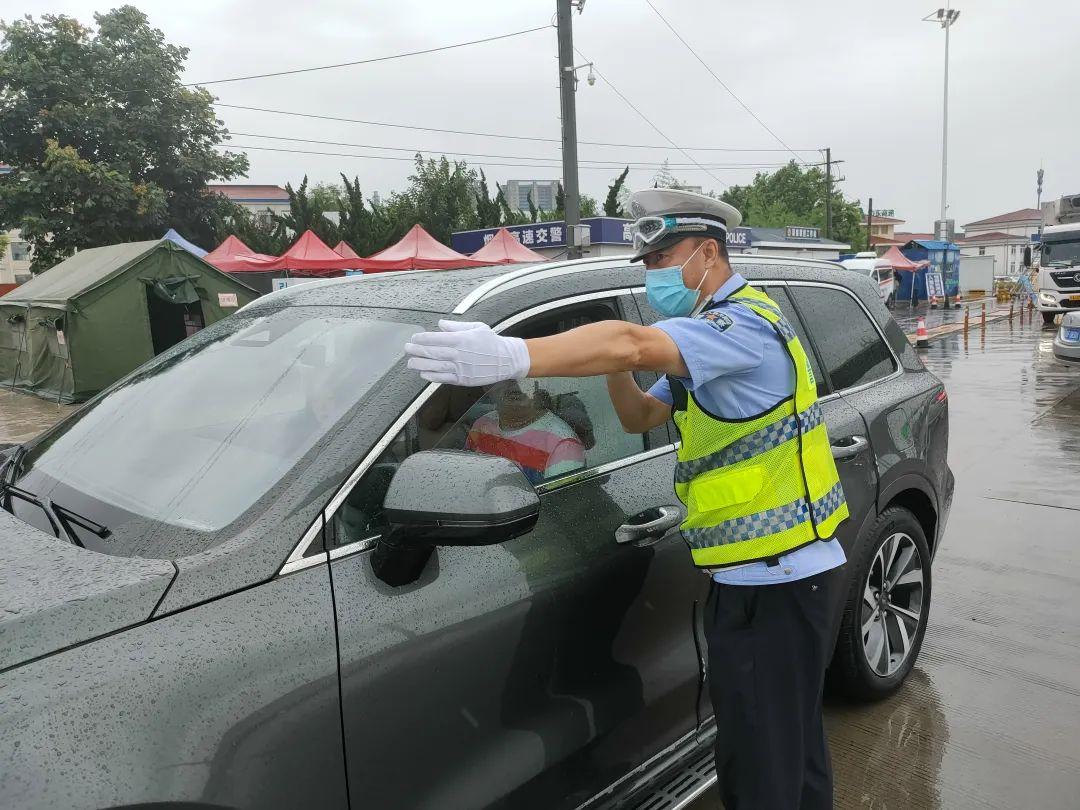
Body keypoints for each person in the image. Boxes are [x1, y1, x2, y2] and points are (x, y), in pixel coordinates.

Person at [404, 188, 849, 809]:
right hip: (756, 577)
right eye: (645, 264)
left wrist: (516, 353)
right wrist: (604, 364)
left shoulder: (740, 326)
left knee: (763, 766)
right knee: (783, 753)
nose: (653, 275)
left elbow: (635, 344)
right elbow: (641, 414)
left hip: (775, 582)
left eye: (662, 259)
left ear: (708, 253)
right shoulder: (706, 338)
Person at [464, 381, 586, 485]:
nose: (512, 385)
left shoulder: (563, 447)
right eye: (502, 376)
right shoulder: (482, 424)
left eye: (519, 376)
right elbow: (465, 478)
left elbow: (556, 507)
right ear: (486, 387)